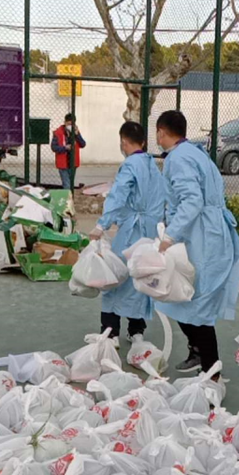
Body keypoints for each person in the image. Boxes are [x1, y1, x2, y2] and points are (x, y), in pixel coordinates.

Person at [153, 110, 239, 374]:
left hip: (202, 236)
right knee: (185, 299)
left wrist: (169, 237)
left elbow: (191, 200)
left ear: (161, 131)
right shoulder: (194, 153)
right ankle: (198, 352)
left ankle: (212, 372)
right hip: (208, 233)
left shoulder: (179, 158)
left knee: (197, 304)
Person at [88, 121, 168, 341]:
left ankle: (110, 331)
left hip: (131, 233)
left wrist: (101, 225)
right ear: (143, 141)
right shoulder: (153, 165)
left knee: (114, 277)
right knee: (141, 278)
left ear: (123, 141)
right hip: (151, 233)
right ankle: (136, 331)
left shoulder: (130, 165)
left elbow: (118, 196)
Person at [52, 114, 86, 189]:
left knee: (70, 184)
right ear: (65, 122)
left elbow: (83, 144)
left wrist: (77, 135)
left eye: (72, 124)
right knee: (67, 185)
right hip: (63, 164)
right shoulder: (58, 133)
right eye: (68, 124)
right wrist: (65, 148)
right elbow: (54, 147)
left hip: (73, 162)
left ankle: (70, 197)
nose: (70, 126)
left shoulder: (76, 132)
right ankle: (68, 198)